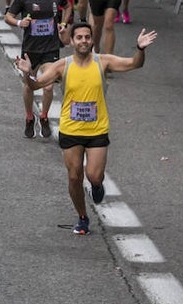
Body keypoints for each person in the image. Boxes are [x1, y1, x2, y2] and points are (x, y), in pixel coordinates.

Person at [17, 23, 157, 235]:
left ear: (92, 40)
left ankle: (97, 185)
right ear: (71, 42)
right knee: (74, 176)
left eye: (87, 37)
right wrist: (28, 74)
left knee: (94, 175)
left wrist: (140, 49)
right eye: (79, 38)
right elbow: (36, 85)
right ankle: (82, 217)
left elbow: (134, 64)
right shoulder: (62, 66)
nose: (84, 41)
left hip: (97, 130)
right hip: (71, 130)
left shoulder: (104, 62)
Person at [4, 0, 70, 138]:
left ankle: (44, 116)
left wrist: (63, 24)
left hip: (50, 48)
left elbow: (69, 6)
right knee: (29, 85)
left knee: (48, 86)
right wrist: (19, 23)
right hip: (30, 49)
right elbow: (8, 16)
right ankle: (29, 117)